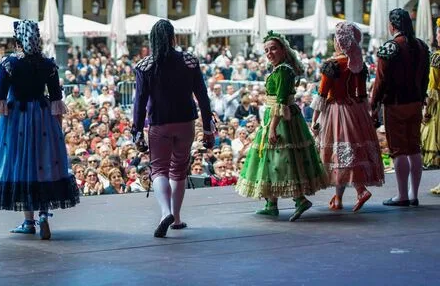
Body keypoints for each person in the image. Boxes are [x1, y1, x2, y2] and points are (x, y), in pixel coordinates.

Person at [0, 20, 79, 240]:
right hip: (43, 117)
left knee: (22, 166)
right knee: (42, 164)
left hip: (17, 118)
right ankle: (44, 214)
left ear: (17, 40)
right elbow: (57, 101)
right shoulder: (48, 64)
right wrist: (57, 130)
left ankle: (29, 221)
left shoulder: (9, 63)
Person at [132, 20, 214, 237]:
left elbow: (139, 102)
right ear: (173, 37)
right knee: (178, 169)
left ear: (152, 40)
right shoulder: (190, 62)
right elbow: (202, 96)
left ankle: (165, 212)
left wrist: (137, 132)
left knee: (159, 169)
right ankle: (176, 219)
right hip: (186, 122)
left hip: (159, 123)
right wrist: (208, 128)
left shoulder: (145, 66)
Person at [236, 31, 329, 221]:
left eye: (273, 49)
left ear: (283, 50)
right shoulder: (280, 69)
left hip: (281, 120)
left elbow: (281, 101)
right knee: (272, 159)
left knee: (283, 159)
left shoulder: (284, 70)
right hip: (277, 117)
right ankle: (272, 204)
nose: (269, 53)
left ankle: (299, 199)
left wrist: (271, 127)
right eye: (266, 50)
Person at [310, 22, 384, 212]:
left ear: (340, 42)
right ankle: (338, 199)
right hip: (356, 111)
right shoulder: (358, 64)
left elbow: (321, 95)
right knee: (346, 153)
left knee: (340, 154)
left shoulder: (332, 65)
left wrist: (314, 119)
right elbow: (361, 94)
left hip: (336, 111)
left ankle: (360, 190)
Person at [371, 8, 430, 206]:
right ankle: (414, 194)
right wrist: (422, 98)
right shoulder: (422, 46)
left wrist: (373, 104)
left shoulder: (390, 47)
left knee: (398, 150)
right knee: (414, 147)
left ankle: (402, 194)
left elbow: (380, 81)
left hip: (395, 103)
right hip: (415, 102)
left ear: (392, 25)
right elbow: (425, 78)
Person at [422, 20, 440, 183]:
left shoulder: (436, 58)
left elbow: (432, 86)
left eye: (438, 33)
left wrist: (426, 111)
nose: (437, 36)